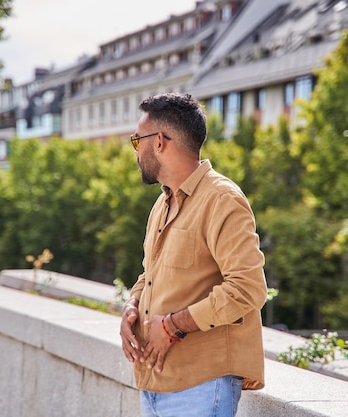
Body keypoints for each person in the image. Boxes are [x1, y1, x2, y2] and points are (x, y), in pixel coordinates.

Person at [119, 92, 268, 417]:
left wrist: (173, 325)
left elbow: (248, 289)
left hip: (201, 387)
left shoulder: (222, 199)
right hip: (154, 384)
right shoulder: (162, 204)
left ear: (159, 142)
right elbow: (150, 275)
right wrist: (132, 306)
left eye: (136, 141)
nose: (136, 151)